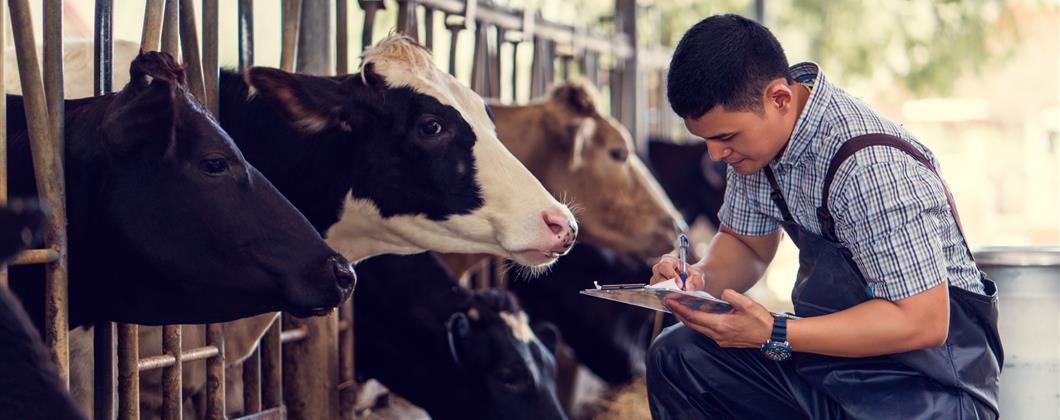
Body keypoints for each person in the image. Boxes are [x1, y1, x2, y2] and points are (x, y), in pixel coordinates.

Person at [646, 14, 1002, 419]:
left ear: (779, 98)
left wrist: (774, 332)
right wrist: (699, 281)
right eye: (706, 139)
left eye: (725, 137)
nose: (714, 155)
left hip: (928, 389)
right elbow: (748, 245)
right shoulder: (756, 147)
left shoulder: (870, 167)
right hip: (834, 368)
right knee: (679, 357)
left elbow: (923, 321)